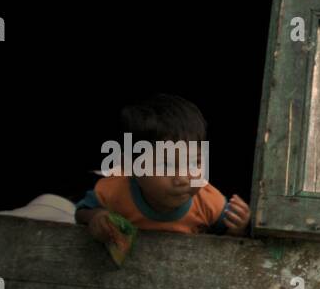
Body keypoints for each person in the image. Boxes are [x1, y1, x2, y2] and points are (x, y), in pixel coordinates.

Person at [75, 94, 250, 251]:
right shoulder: (114, 191)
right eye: (165, 165)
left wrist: (238, 229)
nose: (182, 179)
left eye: (194, 163)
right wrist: (96, 217)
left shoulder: (210, 202)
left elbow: (229, 244)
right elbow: (81, 211)